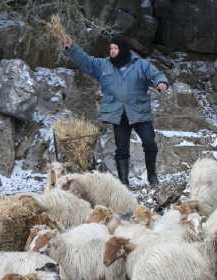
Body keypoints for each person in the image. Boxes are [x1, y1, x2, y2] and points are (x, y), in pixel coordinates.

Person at [63, 34, 169, 187]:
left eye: (115, 48)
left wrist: (161, 83)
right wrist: (71, 47)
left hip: (139, 112)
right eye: (111, 48)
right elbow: (86, 61)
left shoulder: (140, 64)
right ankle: (123, 183)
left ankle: (152, 177)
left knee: (149, 143)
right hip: (118, 114)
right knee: (122, 149)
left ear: (123, 49)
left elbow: (156, 74)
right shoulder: (103, 65)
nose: (112, 51)